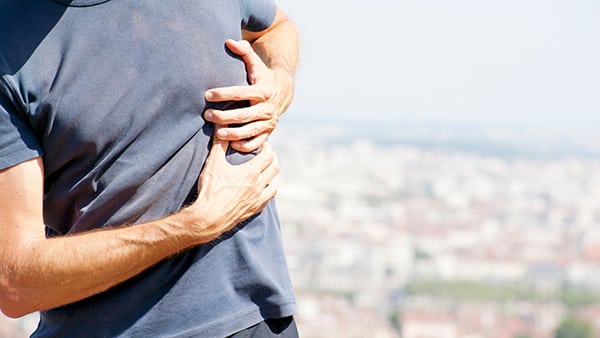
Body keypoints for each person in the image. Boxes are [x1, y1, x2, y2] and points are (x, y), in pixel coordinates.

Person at [0, 0, 299, 337]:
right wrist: (196, 223)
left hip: (256, 317)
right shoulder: (6, 39)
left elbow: (276, 28)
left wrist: (279, 82)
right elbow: (15, 282)